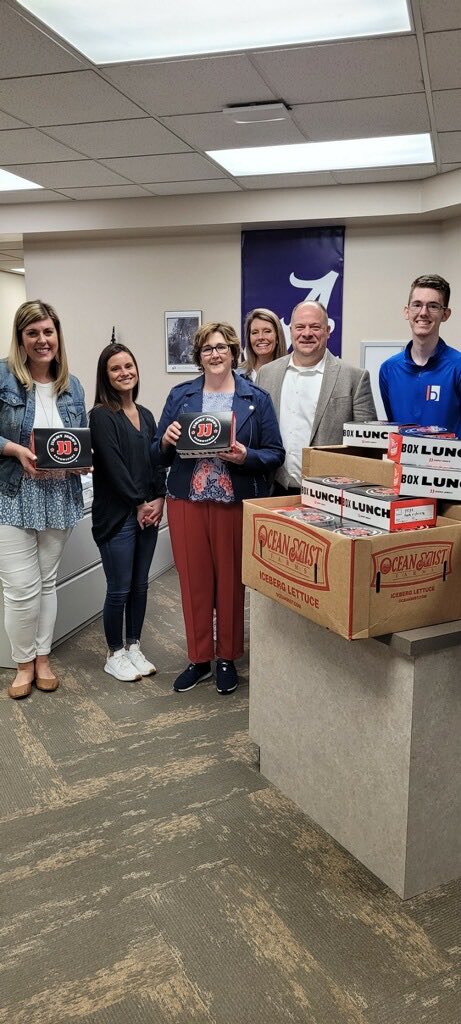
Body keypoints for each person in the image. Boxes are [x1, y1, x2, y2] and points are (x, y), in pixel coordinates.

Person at [153, 321, 284, 695]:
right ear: (199, 355)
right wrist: (165, 440)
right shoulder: (180, 396)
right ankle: (199, 658)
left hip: (232, 503)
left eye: (222, 347)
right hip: (186, 501)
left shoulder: (255, 398)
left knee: (229, 582)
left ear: (233, 353)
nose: (215, 354)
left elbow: (275, 454)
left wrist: (246, 456)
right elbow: (155, 455)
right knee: (193, 581)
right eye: (208, 348)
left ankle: (226, 656)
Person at [0, 300, 87, 699]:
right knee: (20, 587)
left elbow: (78, 441)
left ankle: (43, 658)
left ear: (57, 336)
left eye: (48, 332)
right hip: (14, 492)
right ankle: (22, 664)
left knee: (47, 582)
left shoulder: (74, 385)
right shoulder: (2, 377)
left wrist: (84, 463)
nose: (42, 340)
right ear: (21, 338)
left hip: (59, 493)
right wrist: (14, 450)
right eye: (32, 333)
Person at [90, 344, 166, 682]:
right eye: (115, 368)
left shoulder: (147, 415)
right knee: (119, 587)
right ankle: (115, 653)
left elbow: (156, 461)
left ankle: (134, 646)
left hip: (148, 512)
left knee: (140, 585)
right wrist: (139, 503)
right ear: (105, 376)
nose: (124, 373)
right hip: (118, 516)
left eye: (129, 366)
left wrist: (159, 498)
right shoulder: (101, 415)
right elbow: (114, 467)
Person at [257, 300, 376, 495]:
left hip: (332, 493)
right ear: (290, 331)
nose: (306, 333)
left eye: (315, 327)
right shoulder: (266, 374)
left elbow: (367, 448)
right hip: (274, 489)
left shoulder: (354, 377)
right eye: (300, 327)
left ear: (328, 330)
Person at [379, 274, 461, 435]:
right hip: (401, 460)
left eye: (433, 306)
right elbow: (394, 426)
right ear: (406, 311)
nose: (423, 313)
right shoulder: (388, 369)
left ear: (445, 314)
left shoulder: (458, 367)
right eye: (417, 305)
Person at [238, 308, 287, 380]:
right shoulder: (236, 375)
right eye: (255, 332)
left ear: (278, 337)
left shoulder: (289, 373)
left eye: (267, 331)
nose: (260, 337)